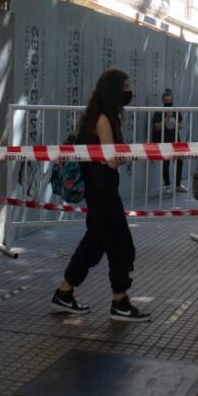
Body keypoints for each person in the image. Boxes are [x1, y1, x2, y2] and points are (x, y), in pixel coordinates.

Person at [50, 69, 151, 322]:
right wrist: (128, 154)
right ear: (115, 90)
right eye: (126, 86)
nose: (130, 92)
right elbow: (112, 161)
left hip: (101, 189)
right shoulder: (103, 119)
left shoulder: (104, 116)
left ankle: (64, 293)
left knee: (93, 245)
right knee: (121, 246)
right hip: (102, 190)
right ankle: (120, 302)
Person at [151, 88, 185, 193]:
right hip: (163, 140)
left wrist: (174, 123)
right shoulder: (158, 112)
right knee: (166, 162)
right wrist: (166, 118)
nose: (168, 103)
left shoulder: (176, 111)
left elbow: (182, 125)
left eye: (170, 101)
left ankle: (178, 185)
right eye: (166, 101)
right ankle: (166, 185)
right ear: (163, 101)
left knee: (180, 160)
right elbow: (156, 127)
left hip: (175, 139)